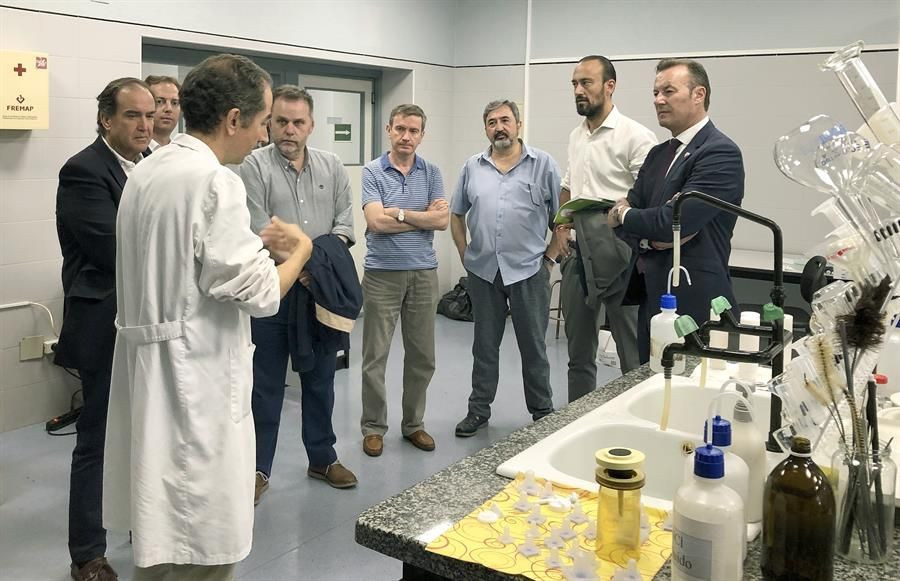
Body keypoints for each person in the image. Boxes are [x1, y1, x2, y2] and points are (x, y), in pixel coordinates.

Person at [102, 54, 313, 581]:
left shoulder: (148, 169)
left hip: (152, 374)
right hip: (194, 380)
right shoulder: (215, 181)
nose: (265, 136)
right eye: (263, 122)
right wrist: (301, 251)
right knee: (205, 545)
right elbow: (260, 293)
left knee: (160, 539)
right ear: (234, 119)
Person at [55, 76, 155, 581]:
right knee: (96, 440)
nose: (145, 124)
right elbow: (113, 248)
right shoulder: (83, 171)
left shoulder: (152, 166)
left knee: (148, 434)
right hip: (104, 324)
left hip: (148, 322)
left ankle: (147, 528)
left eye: (150, 114)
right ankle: (88, 554)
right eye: (133, 115)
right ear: (106, 120)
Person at [239, 85, 358, 499]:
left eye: (298, 122)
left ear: (311, 125)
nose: (289, 130)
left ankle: (322, 458)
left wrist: (316, 270)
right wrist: (305, 263)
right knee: (266, 385)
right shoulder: (253, 167)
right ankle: (257, 469)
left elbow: (345, 225)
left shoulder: (332, 166)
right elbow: (260, 230)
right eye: (282, 122)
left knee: (321, 379)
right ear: (269, 123)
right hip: (272, 293)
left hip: (318, 294)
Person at [608, 58, 744, 362]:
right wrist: (646, 233)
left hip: (695, 300)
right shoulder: (658, 155)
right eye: (655, 93)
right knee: (651, 382)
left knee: (693, 386)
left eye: (668, 91)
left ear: (699, 94)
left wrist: (625, 214)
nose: (658, 100)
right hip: (652, 297)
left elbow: (670, 221)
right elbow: (631, 224)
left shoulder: (719, 152)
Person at [450, 99, 560, 437]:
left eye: (505, 120)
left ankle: (542, 411)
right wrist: (465, 254)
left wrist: (549, 259)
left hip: (528, 271)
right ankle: (478, 411)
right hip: (483, 272)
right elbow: (456, 214)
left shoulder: (543, 165)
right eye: (492, 122)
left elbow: (562, 219)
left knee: (534, 347)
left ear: (518, 125)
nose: (499, 127)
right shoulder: (472, 166)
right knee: (484, 347)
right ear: (486, 128)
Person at [555, 55, 657, 401]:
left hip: (621, 256)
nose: (578, 90)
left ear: (609, 86)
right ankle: (577, 420)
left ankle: (634, 418)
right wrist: (560, 226)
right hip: (578, 256)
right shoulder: (576, 136)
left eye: (586, 83)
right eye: (574, 84)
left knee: (632, 355)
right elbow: (568, 186)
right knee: (578, 354)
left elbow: (651, 195)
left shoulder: (636, 136)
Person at [359, 104, 447, 457]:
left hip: (424, 274)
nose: (405, 136)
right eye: (400, 129)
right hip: (381, 275)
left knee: (423, 356)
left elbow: (442, 221)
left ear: (422, 135)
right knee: (375, 356)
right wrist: (422, 217)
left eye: (413, 131)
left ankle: (413, 425)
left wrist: (397, 213)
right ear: (389, 130)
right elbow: (375, 222)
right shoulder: (372, 171)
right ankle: (373, 427)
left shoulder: (432, 172)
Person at [144, 75, 181, 151]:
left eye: (174, 103)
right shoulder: (134, 153)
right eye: (159, 101)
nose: (168, 109)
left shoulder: (182, 153)